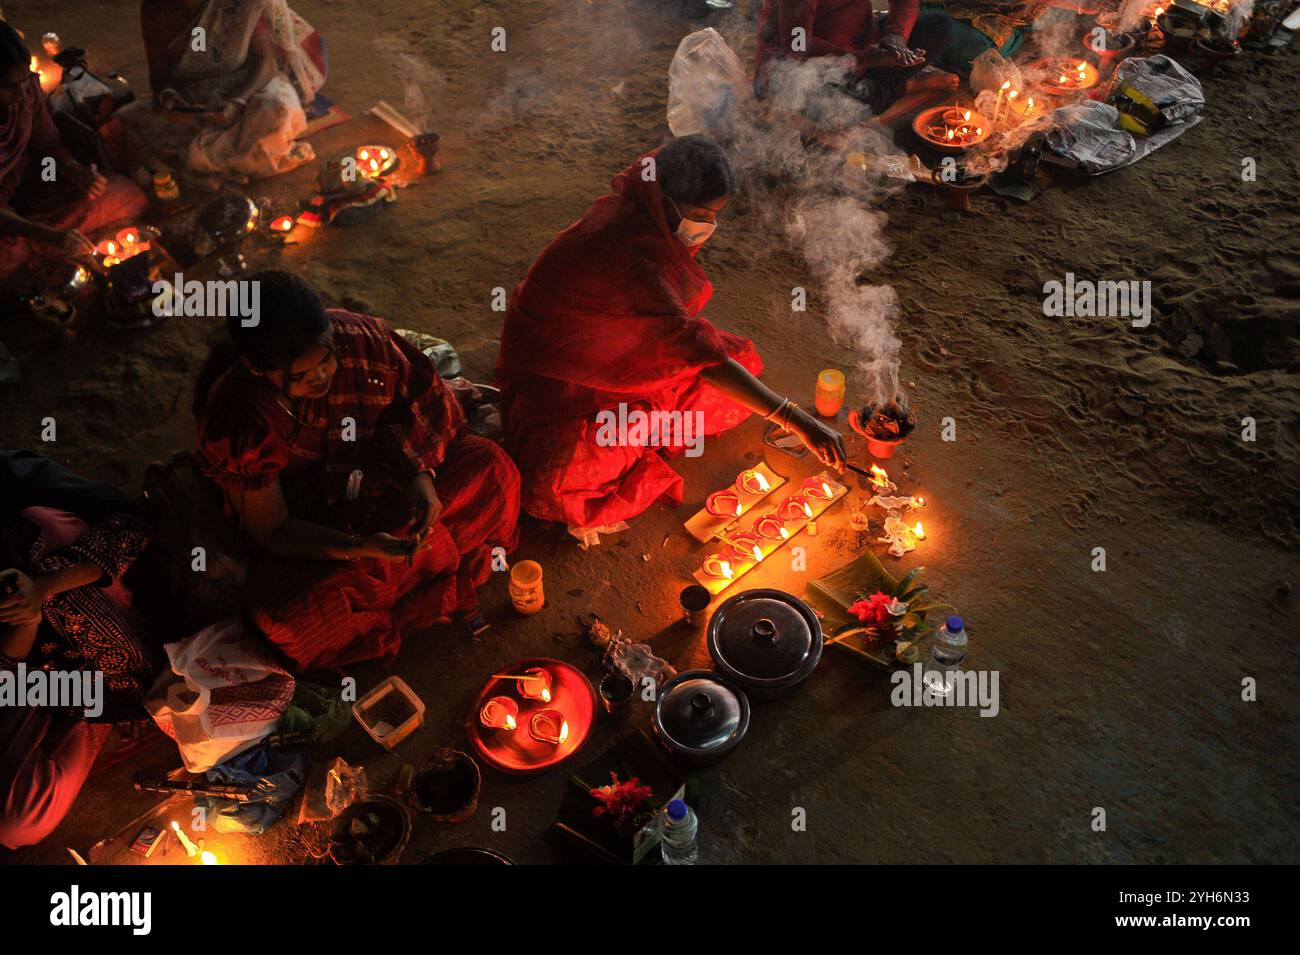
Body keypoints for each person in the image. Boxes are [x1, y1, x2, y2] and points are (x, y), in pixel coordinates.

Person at [496, 135, 845, 535]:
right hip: (566, 393)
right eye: (700, 213)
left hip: (627, 364)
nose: (707, 226)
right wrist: (794, 418)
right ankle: (644, 430)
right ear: (664, 198)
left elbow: (680, 340)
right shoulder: (624, 252)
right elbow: (691, 346)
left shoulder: (645, 220)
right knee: (553, 488)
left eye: (714, 215)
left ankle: (648, 424)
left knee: (740, 369)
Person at [194, 271, 520, 671]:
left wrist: (421, 475)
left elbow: (421, 403)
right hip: (319, 527)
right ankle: (410, 579)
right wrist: (357, 546)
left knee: (491, 468)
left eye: (328, 356)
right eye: (301, 375)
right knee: (287, 620)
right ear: (257, 368)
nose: (323, 376)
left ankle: (398, 586)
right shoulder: (238, 419)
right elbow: (273, 530)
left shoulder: (362, 342)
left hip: (385, 483)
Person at [0, 449, 155, 849]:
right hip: (23, 678)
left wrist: (42, 590)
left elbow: (129, 523)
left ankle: (100, 712)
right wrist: (27, 620)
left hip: (94, 629)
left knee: (44, 526)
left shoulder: (19, 496)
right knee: (16, 822)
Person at [0, 20, 148, 280]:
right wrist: (50, 235)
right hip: (8, 223)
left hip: (37, 189)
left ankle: (43, 253)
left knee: (126, 195)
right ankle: (44, 249)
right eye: (10, 87)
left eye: (25, 81)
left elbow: (48, 145)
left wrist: (76, 172)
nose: (23, 93)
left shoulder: (27, 93)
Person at [132, 0, 326, 178]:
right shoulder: (156, 8)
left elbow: (264, 60)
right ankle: (243, 157)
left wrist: (238, 102)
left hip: (247, 82)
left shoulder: (240, 3)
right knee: (130, 126)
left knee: (279, 110)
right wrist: (169, 100)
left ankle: (205, 158)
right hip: (194, 93)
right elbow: (158, 70)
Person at [755, 0, 955, 113]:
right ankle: (902, 87)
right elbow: (797, 46)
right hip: (802, 67)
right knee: (831, 106)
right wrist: (869, 58)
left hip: (864, 45)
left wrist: (896, 33)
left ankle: (878, 88)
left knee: (939, 26)